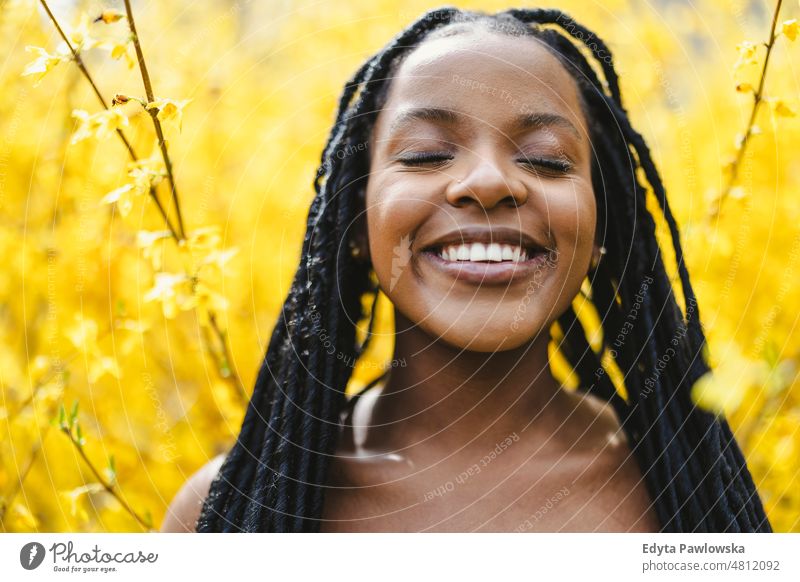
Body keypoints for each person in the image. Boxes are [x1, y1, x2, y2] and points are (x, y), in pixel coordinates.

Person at [160, 6, 771, 533]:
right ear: (354, 216)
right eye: (426, 153)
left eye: (547, 160)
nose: (488, 182)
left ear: (605, 225)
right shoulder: (230, 514)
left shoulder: (693, 492)